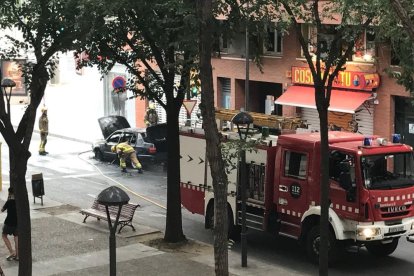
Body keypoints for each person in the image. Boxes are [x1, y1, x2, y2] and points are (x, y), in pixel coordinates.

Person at [2, 188, 18, 261]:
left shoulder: (9, 201)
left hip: (8, 222)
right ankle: (17, 255)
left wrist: (8, 199)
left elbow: (2, 210)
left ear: (9, 193)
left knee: (4, 235)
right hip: (17, 222)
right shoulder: (18, 202)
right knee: (16, 237)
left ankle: (11, 252)